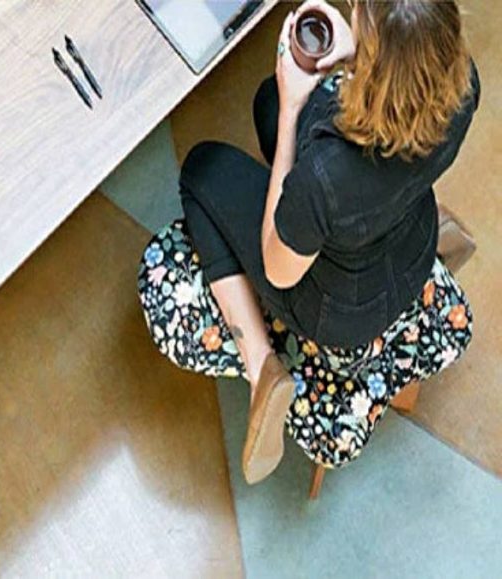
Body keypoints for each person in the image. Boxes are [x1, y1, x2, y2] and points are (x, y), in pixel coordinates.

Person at [141, 0, 479, 482]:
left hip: (335, 308)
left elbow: (278, 265)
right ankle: (431, 240)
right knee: (267, 102)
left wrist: (294, 107)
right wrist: (351, 56)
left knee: (203, 168)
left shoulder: (326, 178)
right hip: (409, 243)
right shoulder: (466, 89)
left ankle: (264, 371)